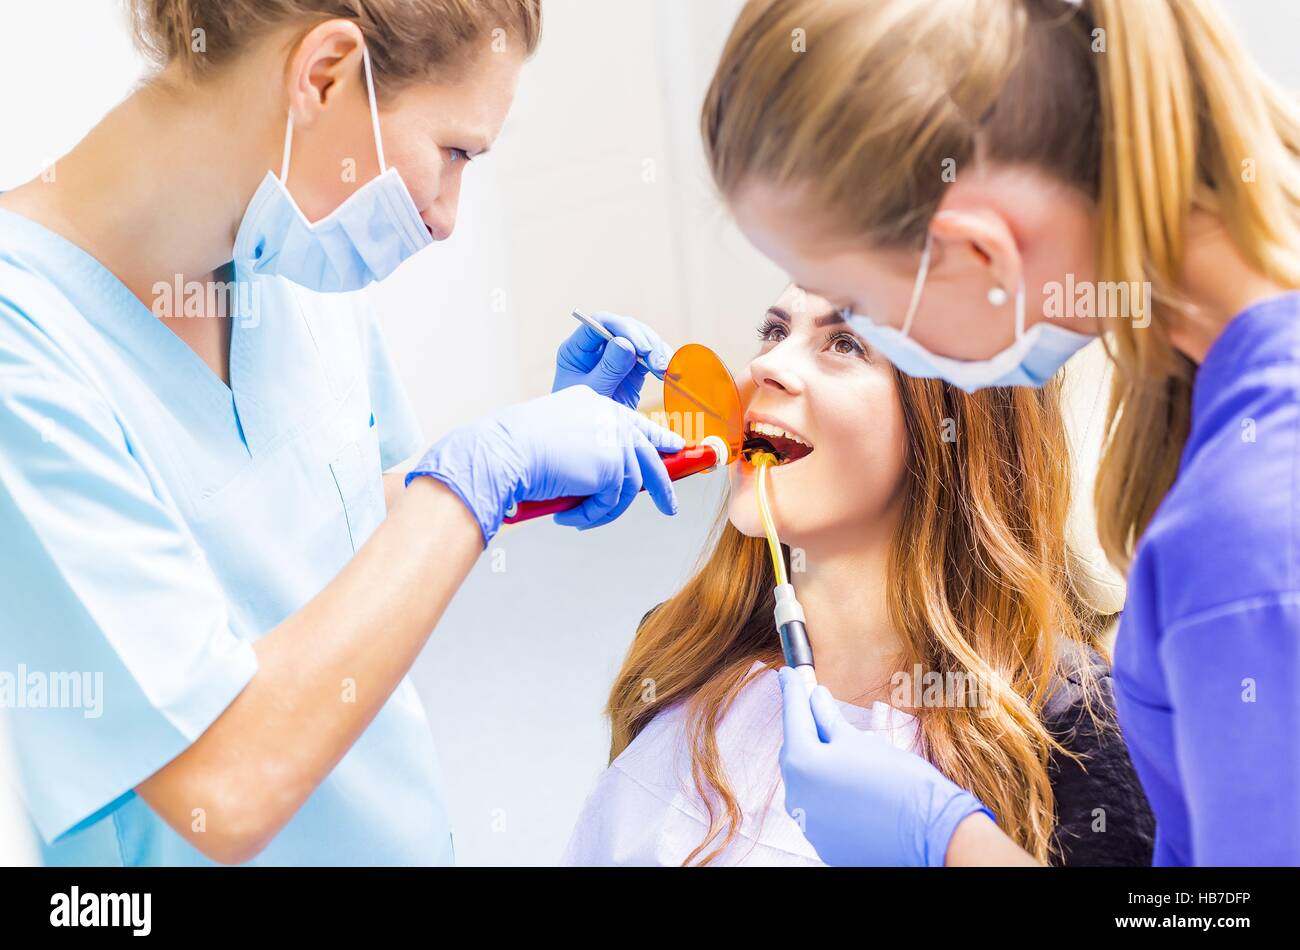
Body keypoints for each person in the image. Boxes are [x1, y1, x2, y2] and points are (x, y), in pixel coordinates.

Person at [0, 0, 683, 865]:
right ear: (322, 74)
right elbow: (220, 782)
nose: (446, 217)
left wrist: (528, 467)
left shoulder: (286, 259)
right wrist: (478, 474)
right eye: (453, 154)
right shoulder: (22, 345)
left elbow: (356, 522)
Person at [700, 0, 1300, 865]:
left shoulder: (1249, 526)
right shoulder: (1219, 415)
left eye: (854, 318)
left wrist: (956, 848)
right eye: (772, 325)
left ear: (979, 256)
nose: (770, 368)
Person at [562, 286, 1154, 866]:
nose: (767, 364)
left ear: (950, 424)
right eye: (774, 332)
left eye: (845, 342)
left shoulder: (1077, 730)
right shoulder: (678, 649)